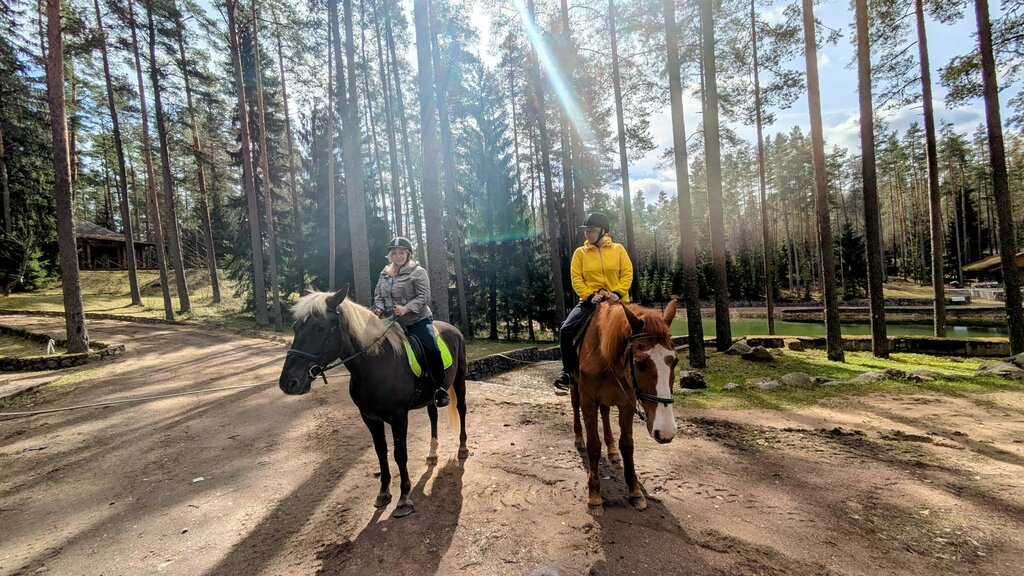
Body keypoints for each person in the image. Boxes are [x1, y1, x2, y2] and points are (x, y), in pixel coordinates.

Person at [553, 212, 634, 392]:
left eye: (592, 230)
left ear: (603, 231)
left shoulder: (618, 249)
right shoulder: (580, 253)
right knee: (566, 329)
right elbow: (576, 279)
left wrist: (618, 292)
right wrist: (589, 295)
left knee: (639, 331)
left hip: (617, 302)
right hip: (590, 302)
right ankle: (568, 372)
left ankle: (640, 374)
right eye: (586, 230)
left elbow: (627, 272)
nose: (588, 234)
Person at [372, 237, 450, 408]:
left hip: (417, 320)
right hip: (391, 321)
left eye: (402, 252)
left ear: (408, 254)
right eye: (394, 253)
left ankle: (440, 388)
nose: (398, 256)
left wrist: (406, 308)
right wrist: (378, 308)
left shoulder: (418, 272)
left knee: (431, 348)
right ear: (390, 255)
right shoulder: (384, 273)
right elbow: (378, 296)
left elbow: (424, 296)